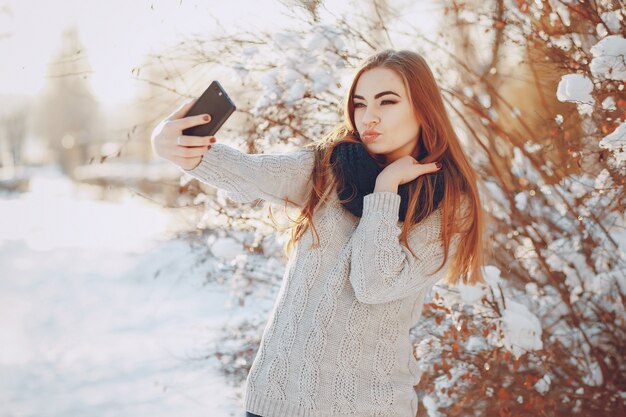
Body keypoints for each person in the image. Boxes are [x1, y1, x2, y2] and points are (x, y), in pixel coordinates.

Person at [151, 49, 486, 417]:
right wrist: (173, 146)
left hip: (367, 408)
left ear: (424, 108)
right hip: (274, 402)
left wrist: (386, 190)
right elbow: (251, 172)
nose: (368, 117)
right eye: (359, 104)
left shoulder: (451, 204)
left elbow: (373, 283)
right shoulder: (331, 167)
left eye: (386, 102)